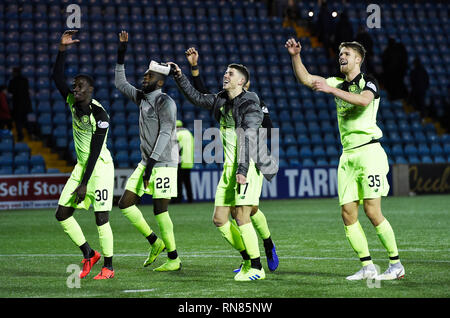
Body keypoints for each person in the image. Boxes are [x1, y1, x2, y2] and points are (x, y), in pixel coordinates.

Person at [285, 38, 405, 281]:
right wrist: (295, 56)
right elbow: (307, 79)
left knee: (372, 211)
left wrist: (331, 90)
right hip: (348, 155)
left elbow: (363, 100)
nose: (342, 56)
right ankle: (368, 266)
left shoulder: (368, 81)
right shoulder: (337, 82)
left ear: (358, 59)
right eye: (340, 53)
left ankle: (396, 265)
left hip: (369, 153)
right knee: (348, 214)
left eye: (347, 53)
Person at [168, 60, 278, 281]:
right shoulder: (221, 100)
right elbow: (197, 97)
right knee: (220, 219)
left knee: (242, 213)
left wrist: (243, 169)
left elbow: (250, 138)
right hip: (229, 168)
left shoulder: (251, 104)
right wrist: (180, 75)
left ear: (241, 81)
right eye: (225, 71)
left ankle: (256, 267)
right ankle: (253, 254)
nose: (225, 75)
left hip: (250, 165)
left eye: (230, 73)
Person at [115, 31, 181, 272]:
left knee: (159, 209)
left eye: (149, 75)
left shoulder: (165, 102)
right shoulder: (142, 98)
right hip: (148, 162)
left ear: (160, 81)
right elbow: (120, 83)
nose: (144, 77)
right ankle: (155, 242)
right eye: (144, 74)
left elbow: (165, 134)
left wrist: (150, 166)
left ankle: (174, 258)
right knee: (125, 204)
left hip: (163, 162)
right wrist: (122, 50)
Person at [51, 30, 115, 280]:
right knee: (62, 214)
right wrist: (62, 49)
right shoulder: (71, 102)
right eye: (74, 85)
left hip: (99, 167)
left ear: (90, 90)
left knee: (101, 218)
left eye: (80, 86)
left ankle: (108, 266)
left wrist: (84, 183)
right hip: (82, 166)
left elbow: (96, 151)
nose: (75, 89)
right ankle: (89, 253)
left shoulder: (100, 116)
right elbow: (56, 77)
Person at [7, 67, 33, 141]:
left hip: (17, 105)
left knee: (18, 121)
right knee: (26, 120)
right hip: (26, 105)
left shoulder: (13, 81)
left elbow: (10, 91)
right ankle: (31, 134)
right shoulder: (25, 80)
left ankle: (20, 136)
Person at [174, 120, 194, 203]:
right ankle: (190, 199)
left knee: (178, 182)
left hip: (180, 161)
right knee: (187, 182)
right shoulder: (189, 134)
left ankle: (178, 199)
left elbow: (176, 148)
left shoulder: (177, 134)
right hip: (189, 161)